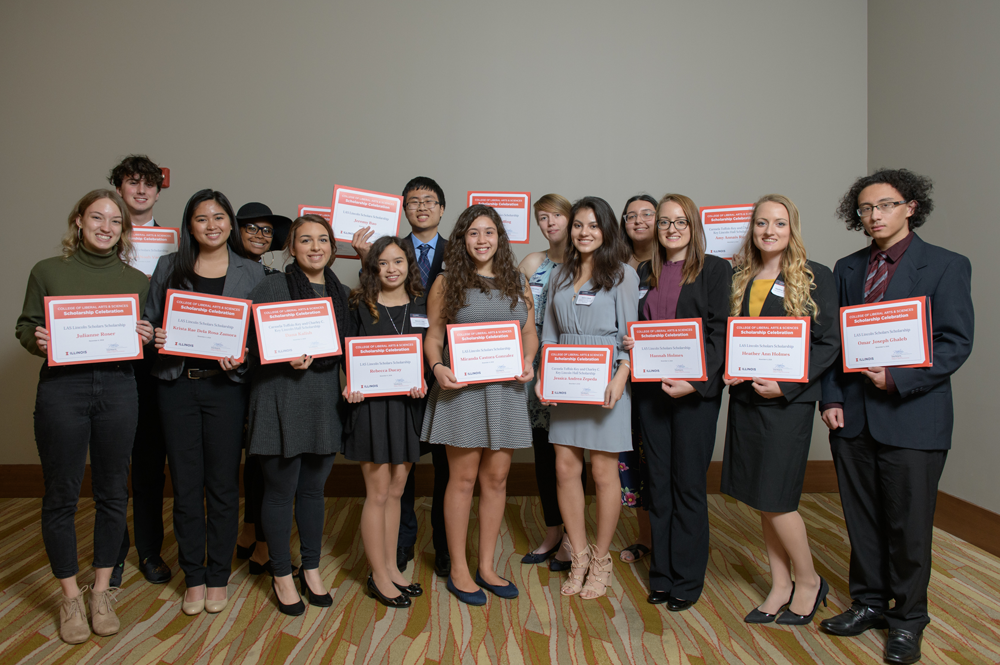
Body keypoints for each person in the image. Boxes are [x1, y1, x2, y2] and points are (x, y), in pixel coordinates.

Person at [819, 169, 973, 664]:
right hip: (854, 418)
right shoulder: (846, 268)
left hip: (913, 416)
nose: (874, 216)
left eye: (884, 205)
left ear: (910, 207)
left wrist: (898, 378)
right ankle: (867, 603)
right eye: (865, 209)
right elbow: (835, 344)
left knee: (908, 526)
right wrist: (832, 399)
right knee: (862, 521)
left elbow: (955, 342)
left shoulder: (946, 266)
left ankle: (908, 620)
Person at [16, 189, 152, 643]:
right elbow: (25, 324)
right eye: (97, 217)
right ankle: (70, 596)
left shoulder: (137, 280)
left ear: (124, 230)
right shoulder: (48, 271)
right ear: (78, 220)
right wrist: (35, 339)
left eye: (116, 221)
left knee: (114, 491)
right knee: (62, 494)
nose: (106, 227)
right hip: (62, 388)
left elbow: (146, 334)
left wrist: (147, 334)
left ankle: (100, 591)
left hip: (118, 385)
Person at [721, 194, 839, 626]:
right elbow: (735, 338)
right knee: (761, 497)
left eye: (779, 223)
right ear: (751, 230)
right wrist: (730, 369)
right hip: (748, 400)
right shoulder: (741, 277)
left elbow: (829, 343)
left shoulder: (814, 276)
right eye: (761, 224)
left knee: (778, 498)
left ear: (793, 229)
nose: (770, 231)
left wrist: (787, 384)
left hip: (787, 404)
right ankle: (780, 583)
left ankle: (808, 581)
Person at [145, 189, 264, 615]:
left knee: (222, 484)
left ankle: (218, 575)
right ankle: (193, 575)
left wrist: (245, 355)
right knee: (185, 483)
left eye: (219, 217)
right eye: (201, 218)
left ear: (231, 223)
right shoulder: (168, 267)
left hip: (226, 388)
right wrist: (154, 337)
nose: (211, 225)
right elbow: (150, 322)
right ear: (189, 226)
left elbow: (259, 337)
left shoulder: (252, 273)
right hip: (176, 387)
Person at [422, 204, 537, 605]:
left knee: (497, 480)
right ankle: (458, 568)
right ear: (462, 239)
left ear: (499, 238)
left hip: (505, 391)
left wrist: (527, 360)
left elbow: (530, 333)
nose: (482, 240)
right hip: (463, 392)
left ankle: (486, 567)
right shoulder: (446, 281)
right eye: (473, 233)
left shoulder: (516, 281)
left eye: (489, 232)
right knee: (464, 480)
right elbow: (433, 337)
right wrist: (436, 367)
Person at [622, 193, 732, 609]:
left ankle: (687, 578)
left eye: (680, 222)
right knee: (660, 487)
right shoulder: (644, 272)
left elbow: (721, 334)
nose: (671, 229)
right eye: (664, 222)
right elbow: (640, 326)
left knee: (688, 487)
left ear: (694, 226)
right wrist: (631, 339)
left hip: (693, 395)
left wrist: (698, 382)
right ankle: (662, 574)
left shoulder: (716, 270)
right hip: (652, 392)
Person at [537, 196, 639, 599]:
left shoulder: (623, 275)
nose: (584, 232)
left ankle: (601, 559)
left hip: (607, 381)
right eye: (578, 225)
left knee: (603, 472)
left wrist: (622, 376)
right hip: (566, 379)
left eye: (593, 225)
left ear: (607, 230)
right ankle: (577, 555)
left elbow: (633, 336)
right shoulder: (559, 275)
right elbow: (548, 334)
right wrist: (544, 375)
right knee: (564, 468)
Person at [247, 215, 348, 616]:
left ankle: (310, 567)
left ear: (332, 247)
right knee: (279, 490)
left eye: (322, 240)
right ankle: (280, 573)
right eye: (305, 240)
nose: (315, 247)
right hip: (279, 396)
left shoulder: (341, 290)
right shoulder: (272, 286)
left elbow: (351, 348)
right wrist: (280, 356)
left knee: (312, 491)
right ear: (292, 246)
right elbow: (249, 345)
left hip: (324, 399)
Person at [352, 176, 450, 577]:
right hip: (378, 400)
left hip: (437, 380)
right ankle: (396, 552)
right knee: (391, 487)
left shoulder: (457, 251)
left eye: (430, 201)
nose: (422, 207)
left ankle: (443, 549)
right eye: (413, 202)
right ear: (403, 209)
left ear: (442, 208)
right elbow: (356, 341)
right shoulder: (385, 259)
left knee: (441, 470)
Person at [343, 236, 429, 608]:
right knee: (377, 492)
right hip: (372, 409)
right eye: (383, 263)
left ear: (409, 265)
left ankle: (392, 567)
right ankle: (377, 574)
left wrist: (425, 375)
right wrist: (349, 385)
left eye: (399, 261)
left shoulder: (423, 305)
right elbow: (345, 353)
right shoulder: (360, 304)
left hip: (408, 407)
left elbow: (432, 350)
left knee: (396, 489)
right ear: (372, 267)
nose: (392, 269)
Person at [106, 155, 173, 586]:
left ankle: (149, 550)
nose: (141, 191)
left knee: (149, 463)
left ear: (158, 190)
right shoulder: (102, 236)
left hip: (154, 365)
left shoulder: (174, 243)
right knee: (112, 463)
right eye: (132, 183)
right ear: (119, 188)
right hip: (109, 361)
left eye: (148, 184)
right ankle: (111, 554)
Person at [517, 193, 586, 571]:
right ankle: (553, 532)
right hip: (536, 369)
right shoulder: (531, 262)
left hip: (576, 369)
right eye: (542, 218)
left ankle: (577, 538)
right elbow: (513, 314)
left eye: (556, 216)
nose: (549, 223)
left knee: (573, 455)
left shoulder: (590, 262)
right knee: (545, 453)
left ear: (571, 218)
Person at [233, 201, 292, 576]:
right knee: (245, 460)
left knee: (260, 458)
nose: (259, 235)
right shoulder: (225, 270)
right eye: (251, 228)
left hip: (262, 376)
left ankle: (254, 533)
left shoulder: (274, 273)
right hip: (227, 373)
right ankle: (249, 531)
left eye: (266, 230)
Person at [617, 194, 658, 564]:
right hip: (624, 380)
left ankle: (668, 539)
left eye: (648, 214)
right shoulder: (614, 265)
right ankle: (645, 538)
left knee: (658, 459)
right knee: (633, 460)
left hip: (662, 378)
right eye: (632, 215)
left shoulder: (673, 261)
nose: (639, 220)